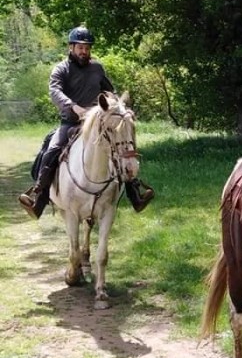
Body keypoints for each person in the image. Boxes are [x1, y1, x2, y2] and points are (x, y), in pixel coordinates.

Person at [18, 26, 155, 219]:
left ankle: (135, 194)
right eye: (80, 47)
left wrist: (120, 109)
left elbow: (110, 92)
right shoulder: (61, 69)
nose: (84, 51)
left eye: (87, 48)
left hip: (98, 124)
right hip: (71, 123)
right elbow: (55, 92)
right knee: (52, 149)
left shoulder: (97, 68)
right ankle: (39, 199)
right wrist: (73, 107)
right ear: (71, 47)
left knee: (121, 148)